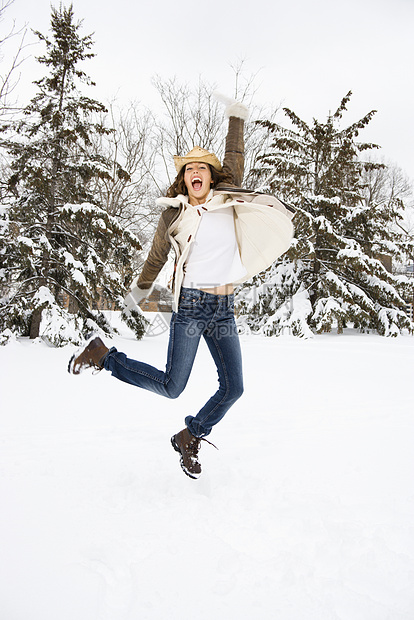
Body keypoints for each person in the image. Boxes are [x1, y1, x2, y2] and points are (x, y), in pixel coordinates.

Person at [68, 96, 295, 479]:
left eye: (201, 168)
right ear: (185, 178)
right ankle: (104, 356)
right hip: (191, 304)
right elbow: (157, 257)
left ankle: (190, 435)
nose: (195, 172)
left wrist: (237, 116)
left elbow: (235, 153)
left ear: (211, 175)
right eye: (189, 168)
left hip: (223, 306)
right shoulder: (174, 213)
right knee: (173, 386)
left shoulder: (228, 197)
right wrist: (139, 293)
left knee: (234, 387)